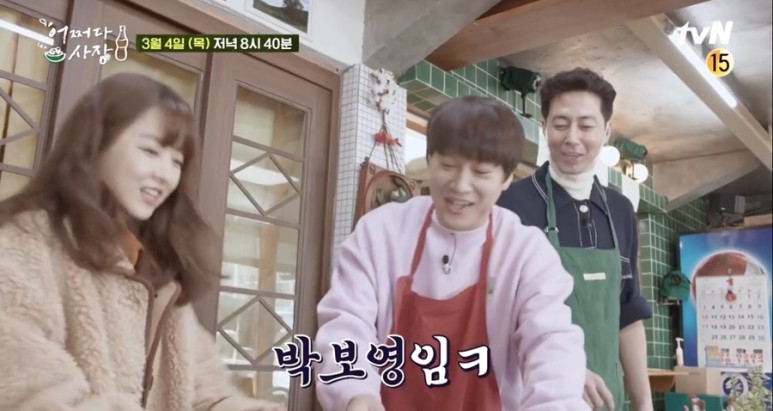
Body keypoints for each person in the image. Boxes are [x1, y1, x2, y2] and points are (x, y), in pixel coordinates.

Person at [0, 73, 284, 411]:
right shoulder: (23, 244)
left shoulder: (156, 273)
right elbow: (34, 395)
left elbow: (207, 395)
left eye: (177, 162)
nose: (165, 175)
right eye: (150, 151)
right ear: (96, 144)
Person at [314, 96, 590, 411]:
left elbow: (551, 342)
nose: (460, 185)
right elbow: (347, 322)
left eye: (481, 172)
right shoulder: (379, 232)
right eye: (448, 166)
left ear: (506, 179)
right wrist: (355, 393)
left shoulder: (527, 252)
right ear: (429, 161)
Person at [497, 68, 653, 411]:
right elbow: (496, 312)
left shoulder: (621, 210)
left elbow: (627, 314)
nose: (572, 138)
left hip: (606, 400)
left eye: (586, 126)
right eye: (560, 124)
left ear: (606, 131)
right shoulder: (510, 205)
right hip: (534, 398)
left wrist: (644, 403)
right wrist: (563, 368)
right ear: (544, 126)